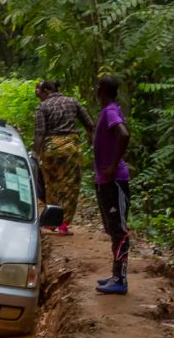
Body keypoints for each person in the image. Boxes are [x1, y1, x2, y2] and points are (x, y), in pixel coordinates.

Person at [33, 80, 94, 235]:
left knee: (51, 185)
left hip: (50, 150)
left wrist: (35, 154)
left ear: (46, 90)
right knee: (69, 187)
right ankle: (63, 225)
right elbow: (89, 123)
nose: (36, 92)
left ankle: (51, 222)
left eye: (38, 89)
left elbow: (40, 133)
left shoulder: (42, 107)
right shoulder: (72, 102)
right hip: (70, 149)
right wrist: (90, 136)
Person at [92, 75, 131, 295]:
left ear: (102, 90)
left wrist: (113, 165)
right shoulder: (108, 111)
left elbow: (124, 134)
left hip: (115, 180)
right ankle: (115, 275)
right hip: (105, 181)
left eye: (97, 86)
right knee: (113, 229)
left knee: (120, 230)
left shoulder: (110, 112)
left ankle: (121, 280)